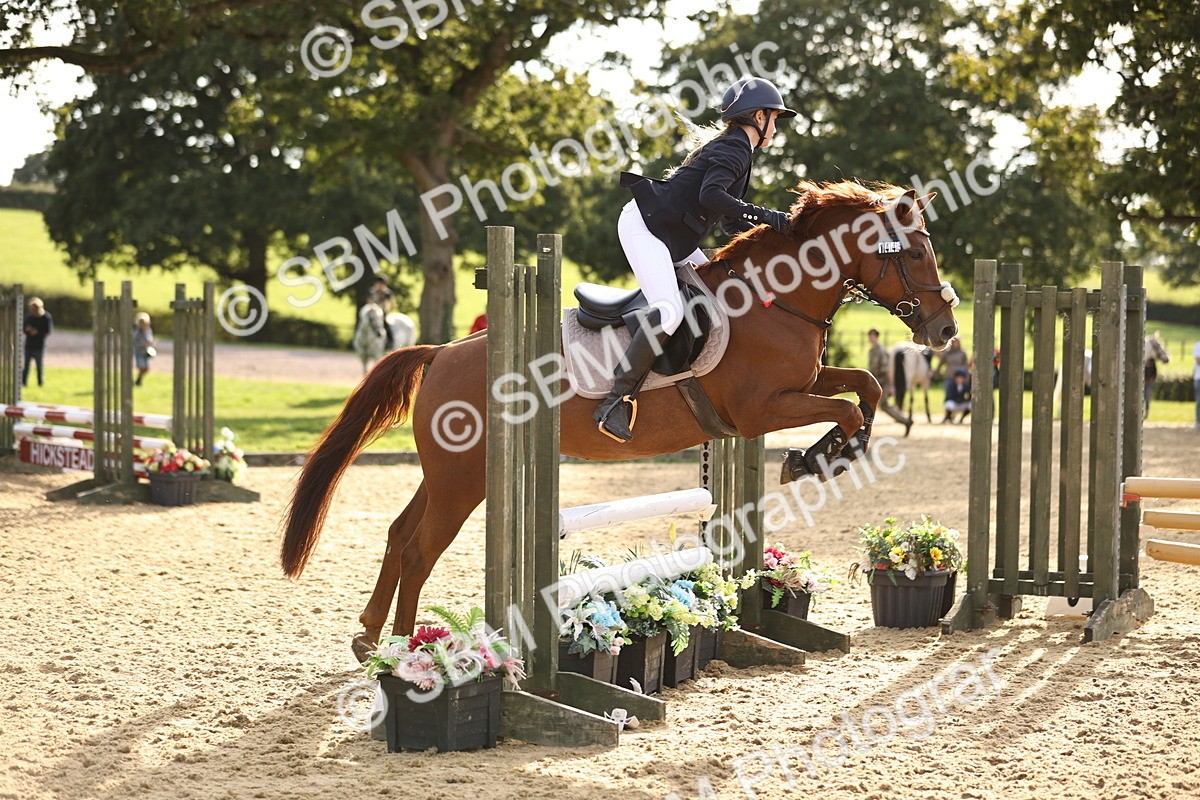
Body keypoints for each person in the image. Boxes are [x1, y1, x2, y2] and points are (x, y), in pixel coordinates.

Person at [595, 76, 797, 442]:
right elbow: (711, 197)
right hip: (648, 228)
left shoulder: (738, 150)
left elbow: (733, 221)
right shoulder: (735, 149)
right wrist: (769, 216)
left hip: (674, 234)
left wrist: (770, 247)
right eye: (775, 119)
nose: (776, 129)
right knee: (670, 310)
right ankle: (614, 401)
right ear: (759, 116)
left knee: (711, 290)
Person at [866, 329, 913, 436]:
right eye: (869, 336)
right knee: (881, 405)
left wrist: (891, 386)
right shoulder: (872, 351)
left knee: (882, 405)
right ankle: (906, 421)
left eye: (872, 336)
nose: (870, 338)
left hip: (884, 382)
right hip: (876, 381)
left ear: (876, 337)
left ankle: (905, 421)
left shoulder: (881, 351)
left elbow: (887, 370)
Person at [352, 293, 387, 374]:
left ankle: (389, 342)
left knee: (386, 326)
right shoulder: (365, 308)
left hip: (382, 316)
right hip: (371, 321)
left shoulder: (386, 294)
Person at [22, 297, 52, 387]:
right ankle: (24, 382)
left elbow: (48, 331)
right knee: (26, 366)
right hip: (29, 345)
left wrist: (37, 332)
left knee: (39, 366)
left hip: (39, 345)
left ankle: (40, 382)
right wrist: (28, 330)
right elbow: (24, 328)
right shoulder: (29, 317)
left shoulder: (46, 317)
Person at [133, 312, 156, 386]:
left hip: (146, 352)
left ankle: (138, 379)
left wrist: (150, 343)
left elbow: (150, 339)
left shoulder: (148, 330)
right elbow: (134, 343)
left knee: (146, 368)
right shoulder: (136, 332)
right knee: (141, 366)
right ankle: (137, 381)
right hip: (139, 352)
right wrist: (142, 345)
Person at [1193, 338, 1200, 430]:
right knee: (1199, 401)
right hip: (1199, 378)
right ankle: (1198, 421)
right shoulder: (1198, 345)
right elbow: (1198, 360)